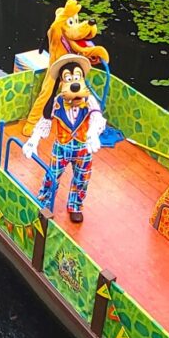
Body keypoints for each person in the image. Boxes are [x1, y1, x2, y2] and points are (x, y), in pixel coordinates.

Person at [22, 54, 105, 223]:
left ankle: (75, 205)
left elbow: (97, 116)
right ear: (62, 82)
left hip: (83, 146)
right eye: (68, 78)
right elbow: (45, 121)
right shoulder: (57, 101)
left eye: (76, 77)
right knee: (52, 175)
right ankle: (44, 201)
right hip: (62, 146)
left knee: (82, 177)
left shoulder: (88, 100)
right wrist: (34, 140)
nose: (73, 82)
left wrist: (93, 134)